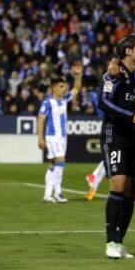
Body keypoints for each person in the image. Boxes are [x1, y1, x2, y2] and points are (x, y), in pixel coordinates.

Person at [99, 35, 135, 259]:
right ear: (128, 51)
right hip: (115, 135)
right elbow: (104, 102)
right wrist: (132, 116)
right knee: (118, 186)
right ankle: (110, 241)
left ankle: (119, 242)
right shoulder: (114, 73)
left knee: (131, 189)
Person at [37, 63, 82, 203]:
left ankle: (47, 194)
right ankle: (58, 192)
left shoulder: (64, 100)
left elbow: (76, 89)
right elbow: (41, 119)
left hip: (62, 137)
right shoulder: (48, 103)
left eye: (64, 87)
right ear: (53, 88)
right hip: (52, 137)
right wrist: (40, 138)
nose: (64, 89)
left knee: (52, 164)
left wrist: (78, 75)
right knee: (61, 162)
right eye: (61, 87)